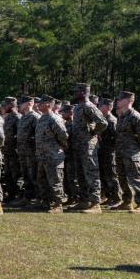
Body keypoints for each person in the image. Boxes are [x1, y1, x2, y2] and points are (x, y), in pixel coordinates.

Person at [70, 83, 107, 213]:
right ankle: (84, 200)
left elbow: (103, 123)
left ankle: (95, 203)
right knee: (80, 174)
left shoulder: (89, 106)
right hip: (78, 145)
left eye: (77, 91)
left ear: (84, 92)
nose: (75, 93)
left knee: (91, 173)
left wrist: (93, 132)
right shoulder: (78, 107)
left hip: (88, 145)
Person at [112, 91, 140, 213]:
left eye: (120, 99)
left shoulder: (135, 116)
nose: (118, 101)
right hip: (120, 152)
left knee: (136, 178)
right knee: (122, 178)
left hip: (131, 153)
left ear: (128, 100)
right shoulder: (121, 116)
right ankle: (127, 202)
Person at [35, 95, 68, 213]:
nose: (38, 105)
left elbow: (63, 136)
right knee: (42, 181)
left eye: (41, 103)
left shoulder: (54, 119)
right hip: (42, 156)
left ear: (48, 104)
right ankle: (46, 202)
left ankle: (57, 205)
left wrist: (58, 147)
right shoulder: (41, 118)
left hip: (53, 156)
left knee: (55, 181)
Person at [97, 97, 120, 206]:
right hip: (102, 151)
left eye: (101, 106)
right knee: (103, 175)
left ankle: (117, 198)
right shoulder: (102, 119)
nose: (99, 107)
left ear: (108, 107)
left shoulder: (112, 121)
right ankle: (108, 196)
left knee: (111, 176)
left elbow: (117, 138)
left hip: (110, 152)